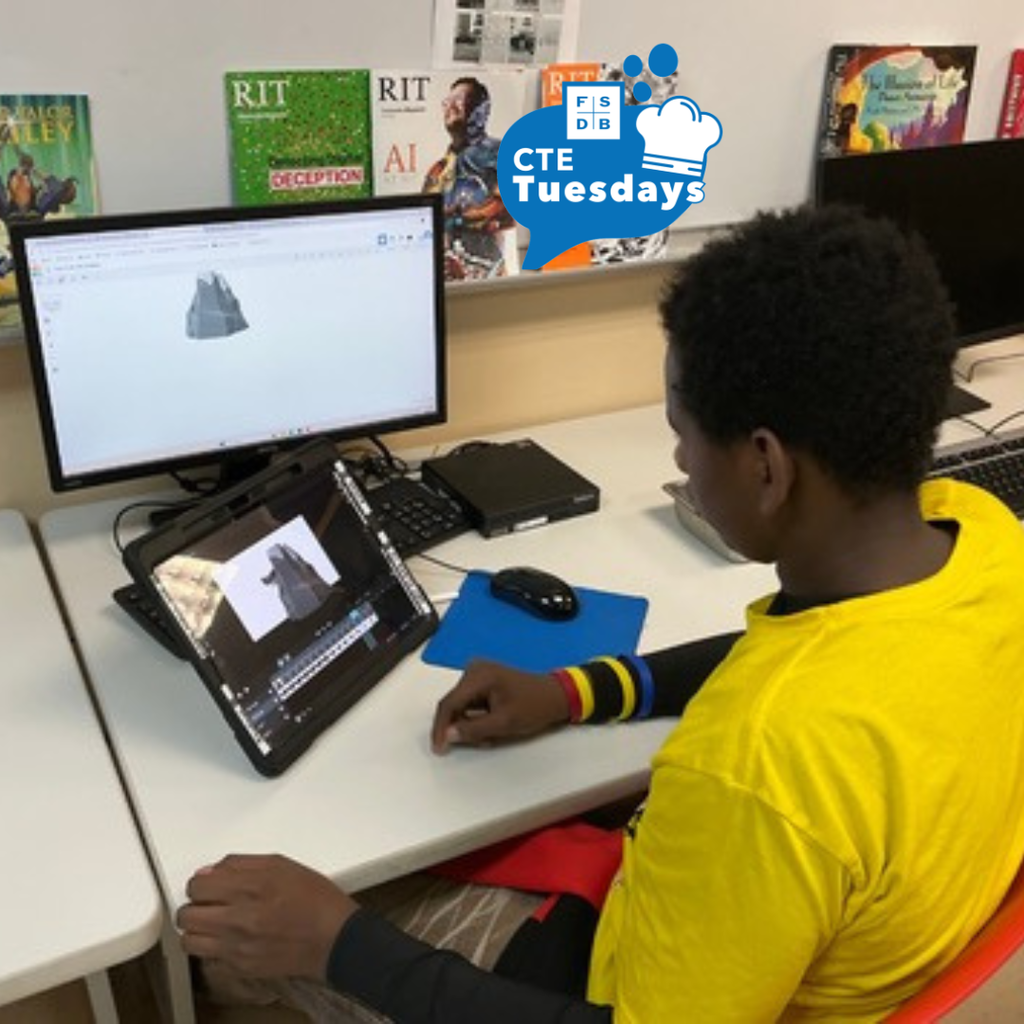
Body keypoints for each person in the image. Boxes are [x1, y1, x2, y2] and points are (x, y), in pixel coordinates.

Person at [177, 205, 1024, 1021]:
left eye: (682, 431)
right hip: (781, 941)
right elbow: (793, 648)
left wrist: (335, 943)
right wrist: (576, 692)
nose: (680, 459)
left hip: (628, 989)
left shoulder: (759, 763)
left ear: (766, 466)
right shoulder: (984, 539)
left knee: (230, 947)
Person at [421, 76, 515, 280]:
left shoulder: (501, 155)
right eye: (446, 101)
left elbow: (509, 210)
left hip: (490, 280)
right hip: (449, 282)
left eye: (458, 99)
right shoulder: (438, 170)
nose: (448, 106)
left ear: (478, 109)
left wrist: (460, 217)